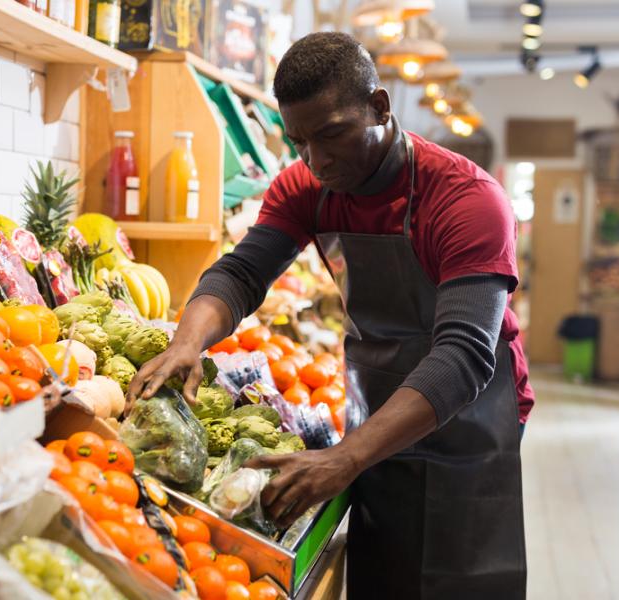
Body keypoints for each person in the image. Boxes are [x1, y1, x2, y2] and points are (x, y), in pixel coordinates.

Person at [128, 32, 531, 599]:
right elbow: (241, 273)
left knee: (455, 583)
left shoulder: (466, 200)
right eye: (299, 142)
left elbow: (464, 357)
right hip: (373, 414)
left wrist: (346, 457)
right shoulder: (308, 186)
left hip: (467, 425)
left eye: (333, 134)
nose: (317, 160)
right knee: (382, 576)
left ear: (380, 107)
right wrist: (186, 342)